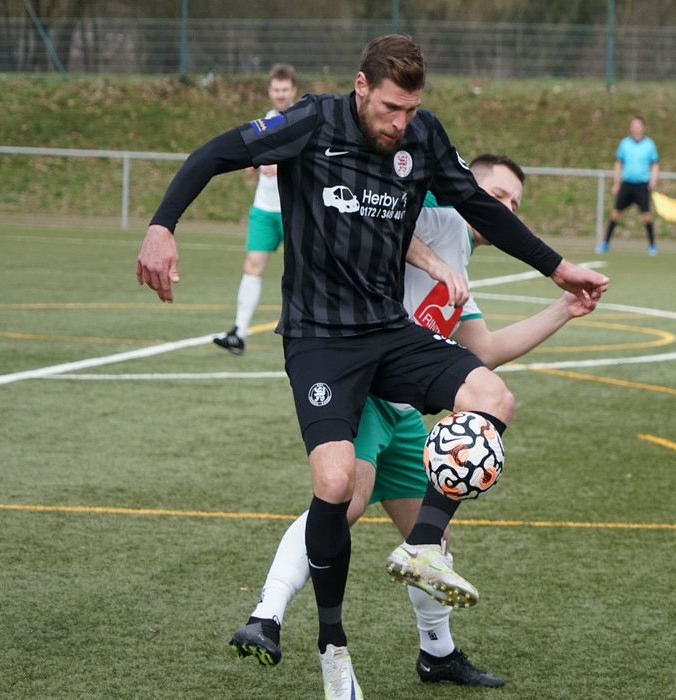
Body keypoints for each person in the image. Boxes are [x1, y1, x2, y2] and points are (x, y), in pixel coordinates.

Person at [135, 34, 609, 700]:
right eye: (391, 108)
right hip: (320, 338)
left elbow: (477, 206)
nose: (400, 123)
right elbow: (216, 152)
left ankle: (424, 547)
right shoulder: (311, 121)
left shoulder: (423, 136)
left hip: (389, 331)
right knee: (335, 485)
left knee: (493, 397)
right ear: (361, 87)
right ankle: (330, 644)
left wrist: (557, 270)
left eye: (410, 110)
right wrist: (162, 226)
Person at [229, 154, 598, 688]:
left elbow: (484, 350)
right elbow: (383, 198)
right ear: (465, 188)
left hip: (404, 412)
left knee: (432, 538)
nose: (507, 210)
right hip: (366, 389)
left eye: (515, 204)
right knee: (343, 503)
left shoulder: (460, 260)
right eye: (497, 196)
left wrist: (564, 308)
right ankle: (267, 614)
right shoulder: (434, 215)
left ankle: (437, 654)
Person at [214, 63, 299, 354]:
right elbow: (255, 155)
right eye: (276, 89)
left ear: (293, 91)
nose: (280, 94)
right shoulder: (266, 121)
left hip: (294, 211)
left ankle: (309, 335)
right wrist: (253, 163)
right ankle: (238, 333)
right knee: (252, 266)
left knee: (301, 273)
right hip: (264, 209)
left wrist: (282, 165)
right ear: (269, 91)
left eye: (285, 89)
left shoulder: (301, 121)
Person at [596, 115, 660, 255]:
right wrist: (616, 183)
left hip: (641, 185)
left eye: (638, 125)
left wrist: (653, 181)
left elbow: (655, 165)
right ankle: (605, 243)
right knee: (615, 214)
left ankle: (652, 246)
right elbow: (619, 163)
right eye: (633, 125)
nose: (636, 128)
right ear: (631, 128)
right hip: (627, 185)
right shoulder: (625, 143)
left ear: (643, 128)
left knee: (647, 216)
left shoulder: (649, 144)